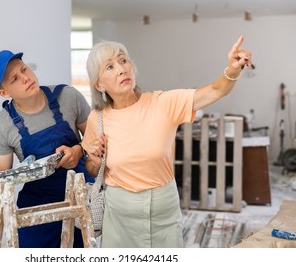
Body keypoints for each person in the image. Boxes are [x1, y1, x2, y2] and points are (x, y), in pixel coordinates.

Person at [81, 36, 254, 248]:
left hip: (164, 213)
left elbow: (215, 91)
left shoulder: (163, 103)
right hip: (119, 218)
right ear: (99, 84)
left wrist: (233, 70)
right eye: (110, 66)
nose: (121, 69)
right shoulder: (96, 119)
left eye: (123, 60)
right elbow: (91, 166)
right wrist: (95, 161)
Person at [0, 50, 94, 248]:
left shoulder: (67, 97)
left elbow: (97, 141)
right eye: (15, 79)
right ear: (4, 93)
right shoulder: (2, 125)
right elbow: (0, 172)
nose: (26, 78)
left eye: (24, 69)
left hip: (79, 195)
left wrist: (78, 151)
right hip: (37, 205)